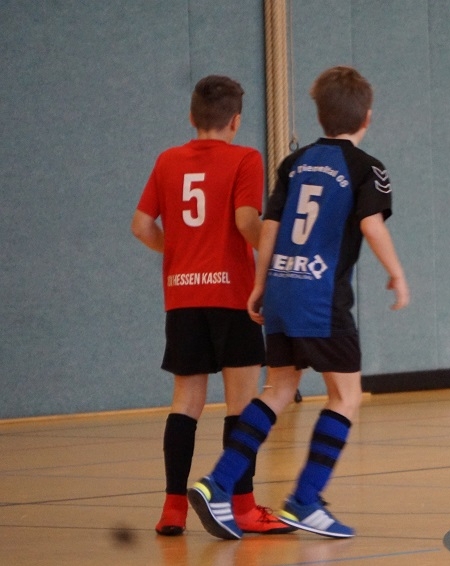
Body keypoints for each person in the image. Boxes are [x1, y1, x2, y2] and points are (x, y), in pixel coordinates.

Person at [187, 66, 410, 540]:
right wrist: (397, 272)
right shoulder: (366, 167)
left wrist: (261, 283)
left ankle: (217, 482)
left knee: (279, 389)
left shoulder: (294, 163)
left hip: (283, 289)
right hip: (321, 296)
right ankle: (305, 499)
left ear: (321, 115)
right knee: (345, 397)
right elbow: (371, 225)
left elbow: (269, 226)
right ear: (367, 116)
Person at [131, 75, 291, 535]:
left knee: (185, 401)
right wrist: (277, 255)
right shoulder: (245, 158)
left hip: (183, 296)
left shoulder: (168, 160)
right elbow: (245, 221)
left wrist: (181, 252)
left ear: (191, 117)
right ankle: (242, 507)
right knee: (240, 404)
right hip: (230, 294)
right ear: (236, 121)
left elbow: (141, 226)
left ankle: (172, 508)